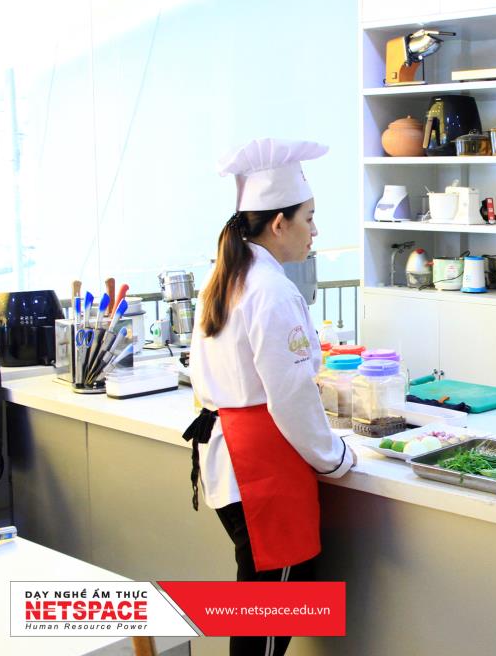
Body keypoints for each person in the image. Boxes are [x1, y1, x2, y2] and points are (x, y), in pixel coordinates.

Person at [183, 138, 355, 656]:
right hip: (261, 470)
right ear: (279, 223)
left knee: (260, 612)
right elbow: (291, 397)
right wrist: (335, 457)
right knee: (268, 618)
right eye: (309, 218)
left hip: (230, 459)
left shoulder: (227, 277)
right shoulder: (273, 291)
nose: (315, 231)